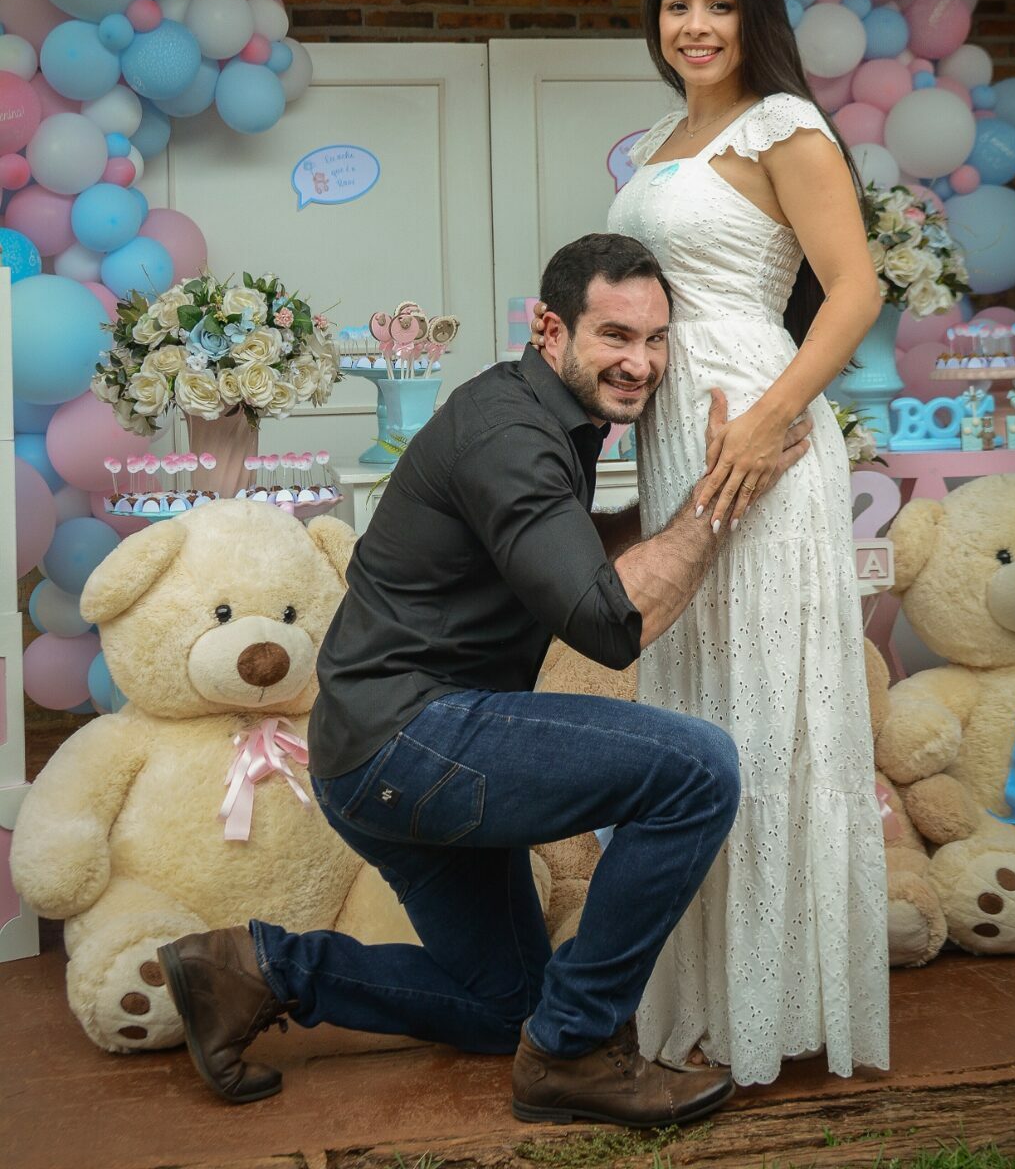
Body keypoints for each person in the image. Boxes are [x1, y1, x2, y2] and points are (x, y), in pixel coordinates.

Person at [157, 233, 812, 1128]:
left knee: (509, 1007)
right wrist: (722, 496)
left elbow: (560, 553)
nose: (640, 362)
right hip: (410, 738)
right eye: (615, 335)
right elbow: (611, 623)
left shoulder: (536, 414)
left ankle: (251, 971)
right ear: (550, 329)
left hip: (373, 749)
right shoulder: (512, 434)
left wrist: (684, 494)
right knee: (696, 770)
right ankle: (578, 1051)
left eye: (656, 339)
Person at [536, 0, 890, 1086]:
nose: (695, 26)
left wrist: (772, 417)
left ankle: (779, 1005)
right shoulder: (655, 142)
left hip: (759, 438)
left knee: (770, 704)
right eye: (677, 4)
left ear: (754, 18)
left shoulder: (784, 127)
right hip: (680, 442)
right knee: (700, 706)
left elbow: (854, 290)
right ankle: (703, 992)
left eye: (719, 5)